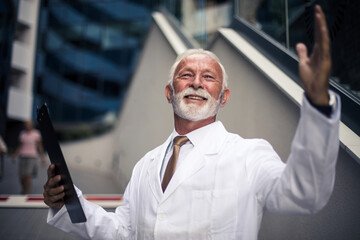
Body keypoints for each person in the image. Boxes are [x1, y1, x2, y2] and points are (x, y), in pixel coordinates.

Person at [44, 5, 340, 240]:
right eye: (186, 75)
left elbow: (304, 193)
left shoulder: (249, 155)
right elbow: (123, 232)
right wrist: (68, 203)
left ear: (223, 98)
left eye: (208, 77)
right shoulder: (146, 165)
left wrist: (318, 104)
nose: (196, 83)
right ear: (169, 92)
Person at [13, 120, 46, 194]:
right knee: (21, 176)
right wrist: (15, 155)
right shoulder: (23, 134)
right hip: (23, 156)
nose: (27, 126)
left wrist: (42, 158)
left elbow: (39, 146)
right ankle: (23, 189)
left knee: (28, 175)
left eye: (28, 124)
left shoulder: (36, 133)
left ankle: (27, 192)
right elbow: (20, 146)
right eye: (26, 124)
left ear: (32, 125)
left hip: (32, 156)